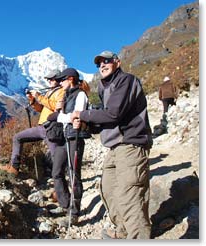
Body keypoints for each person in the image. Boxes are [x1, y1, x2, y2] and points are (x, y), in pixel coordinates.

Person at [71, 51, 153, 239]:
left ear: (117, 62)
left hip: (131, 144)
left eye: (106, 61)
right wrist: (86, 124)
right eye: (99, 63)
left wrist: (82, 115)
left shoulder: (126, 81)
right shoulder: (104, 87)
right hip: (114, 147)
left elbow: (114, 113)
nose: (102, 65)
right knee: (108, 190)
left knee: (130, 195)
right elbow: (107, 120)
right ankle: (123, 231)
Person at [0, 70, 65, 176]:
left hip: (53, 128)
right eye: (48, 79)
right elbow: (41, 109)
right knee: (17, 137)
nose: (49, 81)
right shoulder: (49, 92)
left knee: (55, 157)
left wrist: (39, 97)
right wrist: (33, 101)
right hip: (42, 126)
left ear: (58, 78)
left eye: (51, 79)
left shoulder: (62, 91)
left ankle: (62, 183)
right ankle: (14, 167)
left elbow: (56, 106)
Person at [48, 68, 89, 227]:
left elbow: (77, 115)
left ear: (71, 79)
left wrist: (58, 116)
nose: (59, 83)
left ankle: (74, 212)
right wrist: (59, 110)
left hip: (75, 137)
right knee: (56, 171)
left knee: (74, 174)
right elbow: (68, 116)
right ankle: (65, 205)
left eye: (62, 80)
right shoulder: (66, 95)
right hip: (64, 136)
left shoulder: (81, 95)